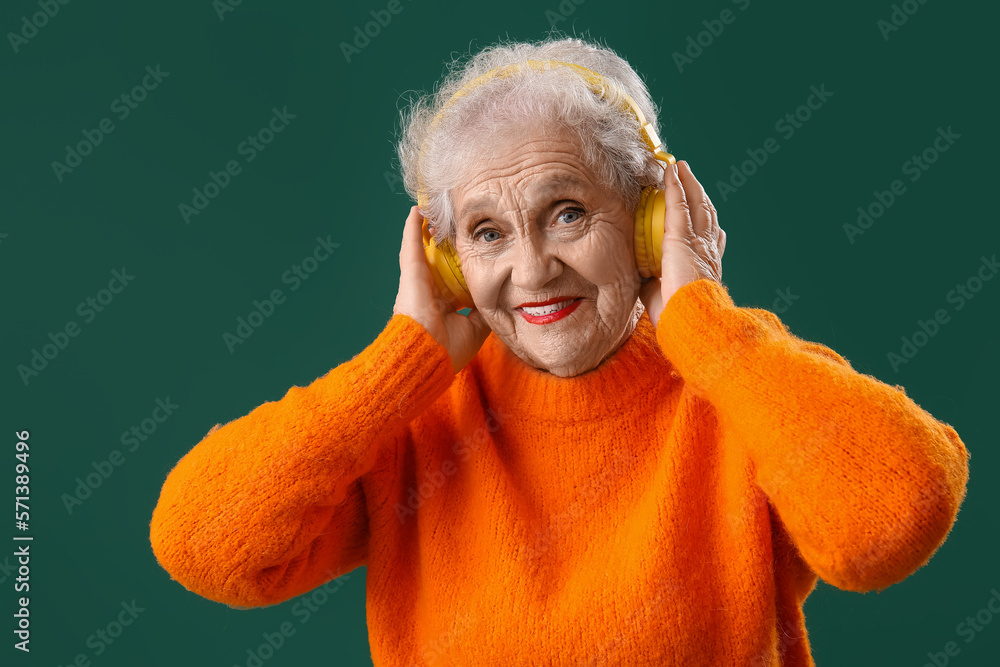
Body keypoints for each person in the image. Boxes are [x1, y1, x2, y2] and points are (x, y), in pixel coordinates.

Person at [149, 36, 971, 666]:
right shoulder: (418, 419)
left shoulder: (738, 379)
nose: (531, 268)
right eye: (486, 232)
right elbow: (203, 545)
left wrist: (706, 325)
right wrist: (399, 363)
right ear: (444, 261)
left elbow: (890, 525)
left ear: (651, 223)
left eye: (568, 212)